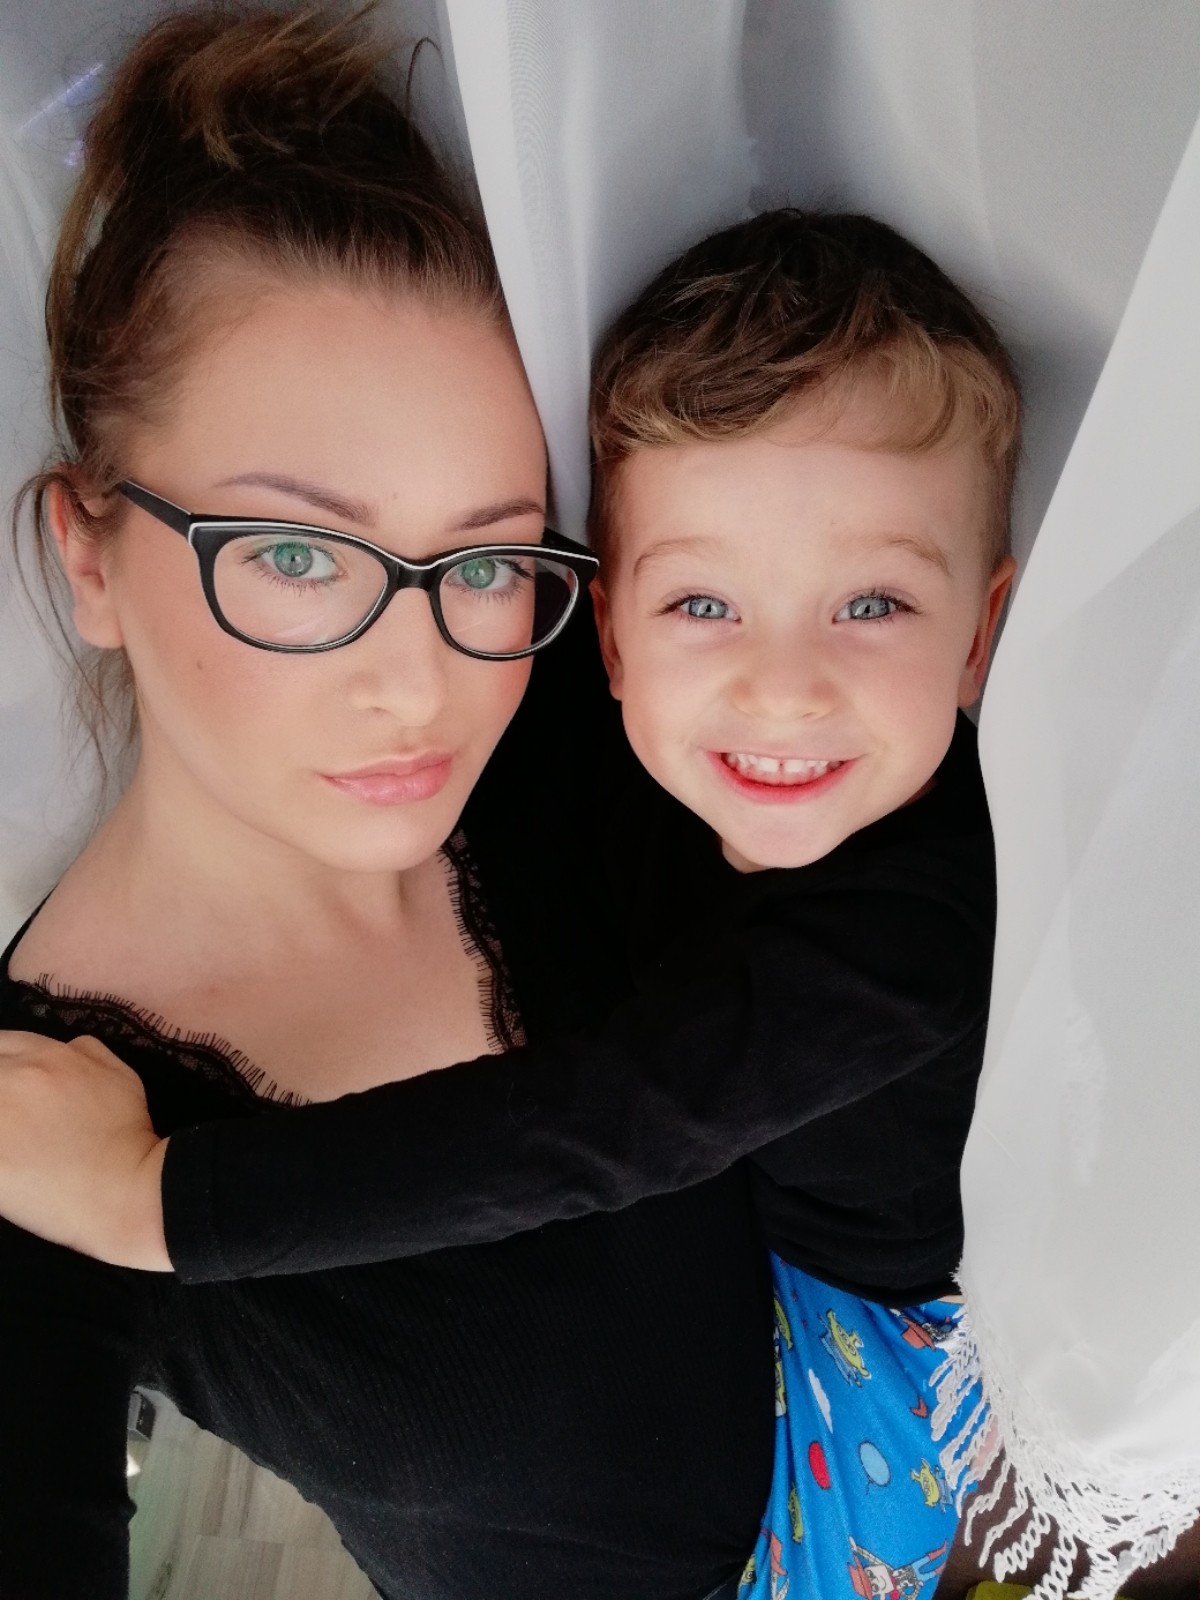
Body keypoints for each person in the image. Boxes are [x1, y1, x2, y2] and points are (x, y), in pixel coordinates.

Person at [0, 149, 1022, 1600]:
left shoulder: (622, 715)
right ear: (89, 554)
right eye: (295, 554)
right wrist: (127, 1198)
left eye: (484, 562)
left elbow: (630, 1117)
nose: (420, 685)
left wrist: (166, 1204)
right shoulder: (33, 1135)